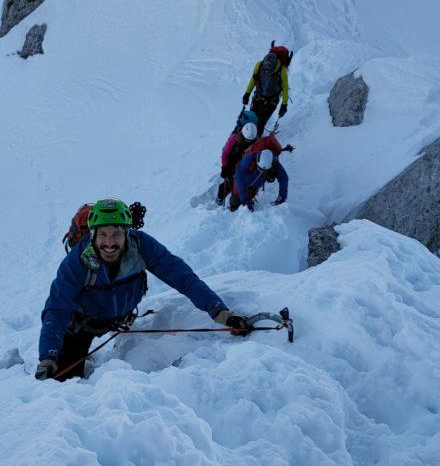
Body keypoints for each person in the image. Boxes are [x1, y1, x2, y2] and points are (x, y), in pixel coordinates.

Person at [36, 198, 249, 380]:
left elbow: (183, 278)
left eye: (116, 234)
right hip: (82, 324)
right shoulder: (77, 261)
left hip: (121, 316)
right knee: (64, 381)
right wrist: (48, 356)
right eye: (103, 234)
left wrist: (221, 313)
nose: (109, 243)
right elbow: (57, 308)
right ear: (92, 235)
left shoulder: (141, 246)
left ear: (127, 233)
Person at [241, 43, 293, 134]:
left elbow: (285, 88)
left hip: (272, 101)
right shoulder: (259, 65)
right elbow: (253, 80)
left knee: (261, 123)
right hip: (258, 97)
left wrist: (284, 105)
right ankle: (249, 139)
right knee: (251, 119)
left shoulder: (282, 70)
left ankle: (255, 143)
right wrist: (247, 93)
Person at [229, 148, 289, 212]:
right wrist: (245, 200)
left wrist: (282, 196)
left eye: (264, 171)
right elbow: (239, 178)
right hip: (243, 182)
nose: (261, 172)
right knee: (235, 200)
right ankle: (232, 209)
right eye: (259, 168)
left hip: (255, 185)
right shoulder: (248, 159)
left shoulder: (274, 163)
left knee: (248, 202)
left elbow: (284, 178)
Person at [217, 121, 258, 205]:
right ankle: (220, 198)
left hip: (244, 165)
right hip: (232, 164)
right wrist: (224, 168)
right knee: (228, 183)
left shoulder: (255, 140)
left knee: (241, 184)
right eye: (246, 140)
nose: (247, 142)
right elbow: (225, 154)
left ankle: (237, 200)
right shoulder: (234, 138)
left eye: (250, 141)